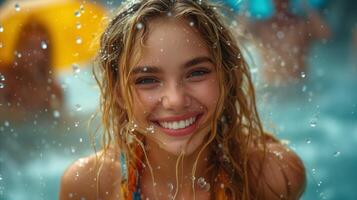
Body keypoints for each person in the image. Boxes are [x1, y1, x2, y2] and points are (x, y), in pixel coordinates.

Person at [60, 0, 305, 199]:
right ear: (119, 94)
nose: (175, 100)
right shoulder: (91, 184)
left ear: (227, 78)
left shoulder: (272, 176)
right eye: (147, 80)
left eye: (197, 73)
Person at [249, 0, 330, 86]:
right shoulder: (261, 27)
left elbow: (326, 35)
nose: (280, 2)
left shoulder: (301, 26)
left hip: (298, 88)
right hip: (271, 88)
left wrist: (306, 5)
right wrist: (246, 4)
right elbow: (238, 34)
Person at [0, 18, 63, 120]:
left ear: (47, 52)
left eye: (40, 47)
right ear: (19, 47)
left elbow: (57, 126)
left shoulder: (53, 90)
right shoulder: (4, 77)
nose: (34, 53)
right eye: (29, 45)